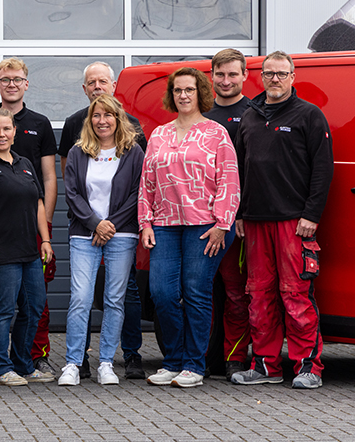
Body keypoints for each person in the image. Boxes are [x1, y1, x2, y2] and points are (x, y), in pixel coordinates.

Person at [231, 51, 334, 390]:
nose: (275, 79)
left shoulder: (309, 115)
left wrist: (311, 215)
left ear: (293, 76)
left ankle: (308, 367)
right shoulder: (249, 117)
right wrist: (241, 214)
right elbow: (240, 171)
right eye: (269, 73)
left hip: (294, 222)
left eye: (282, 73)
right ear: (261, 77)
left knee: (295, 294)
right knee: (258, 295)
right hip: (256, 221)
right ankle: (265, 366)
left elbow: (322, 170)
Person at [138, 67, 240, 388]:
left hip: (205, 227)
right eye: (179, 90)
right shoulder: (159, 134)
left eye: (190, 90)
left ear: (201, 94)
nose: (184, 95)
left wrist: (223, 224)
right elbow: (147, 183)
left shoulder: (216, 133)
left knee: (196, 293)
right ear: (172, 95)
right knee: (162, 294)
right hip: (165, 225)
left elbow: (229, 181)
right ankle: (172, 361)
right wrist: (145, 222)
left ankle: (194, 365)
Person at [0, 57, 59, 381]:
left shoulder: (23, 162)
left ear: (14, 131)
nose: (2, 133)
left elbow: (37, 199)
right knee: (2, 308)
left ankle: (24, 363)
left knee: (33, 307)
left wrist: (45, 237)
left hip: (29, 249)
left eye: (7, 129)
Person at [58, 61, 147, 380]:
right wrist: (95, 223)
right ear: (89, 118)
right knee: (80, 298)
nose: (102, 120)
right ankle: (72, 362)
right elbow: (72, 191)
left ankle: (107, 362)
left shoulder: (133, 151)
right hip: (84, 234)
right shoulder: (80, 151)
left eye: (108, 114)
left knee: (115, 298)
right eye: (97, 115)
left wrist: (110, 225)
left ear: (117, 117)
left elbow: (139, 192)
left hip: (121, 235)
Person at [202, 49, 252, 380]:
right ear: (212, 76)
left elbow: (255, 171)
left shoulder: (255, 113)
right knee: (198, 292)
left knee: (236, 293)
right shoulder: (201, 113)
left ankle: (234, 358)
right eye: (220, 74)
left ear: (245, 75)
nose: (226, 80)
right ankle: (201, 358)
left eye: (232, 74)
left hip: (236, 222)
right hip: (199, 222)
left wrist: (241, 214)